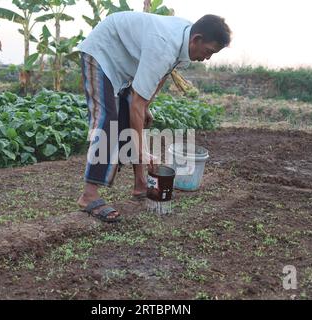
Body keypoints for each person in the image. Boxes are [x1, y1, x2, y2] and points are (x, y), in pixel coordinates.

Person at [77, 11, 231, 223]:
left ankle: (141, 184)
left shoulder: (185, 41)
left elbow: (162, 75)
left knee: (135, 117)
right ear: (197, 39)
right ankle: (89, 196)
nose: (207, 58)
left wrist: (146, 106)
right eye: (208, 51)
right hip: (102, 53)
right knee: (108, 121)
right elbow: (138, 101)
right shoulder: (164, 44)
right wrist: (142, 150)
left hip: (124, 68)